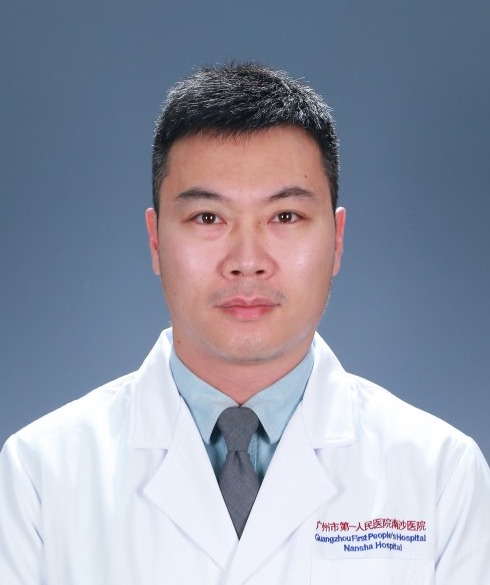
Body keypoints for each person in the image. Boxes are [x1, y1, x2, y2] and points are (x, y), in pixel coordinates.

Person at [0, 62, 489, 584]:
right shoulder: (40, 475)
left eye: (285, 217)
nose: (247, 261)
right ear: (156, 240)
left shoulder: (441, 476)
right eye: (208, 218)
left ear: (337, 238)